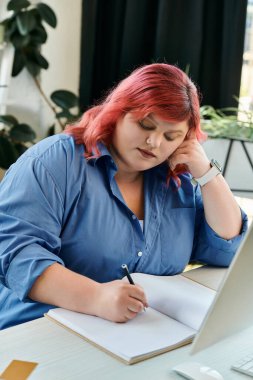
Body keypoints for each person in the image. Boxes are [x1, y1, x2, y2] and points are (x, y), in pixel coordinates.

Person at [0, 63, 247, 330]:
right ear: (117, 112)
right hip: (38, 330)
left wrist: (208, 174)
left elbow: (227, 250)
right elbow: (16, 255)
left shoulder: (175, 179)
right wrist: (96, 297)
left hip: (134, 337)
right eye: (145, 124)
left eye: (171, 136)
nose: (154, 142)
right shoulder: (54, 162)